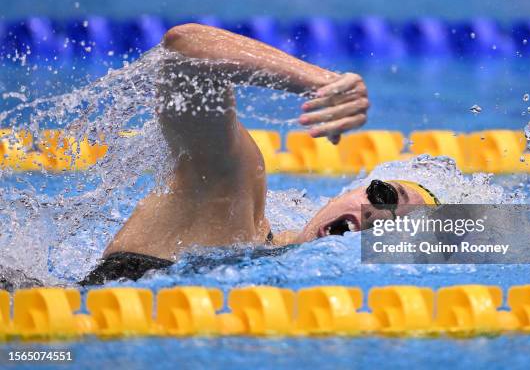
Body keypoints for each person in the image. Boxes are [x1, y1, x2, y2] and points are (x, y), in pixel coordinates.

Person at [2, 23, 440, 288]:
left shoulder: (272, 254)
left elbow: (497, 234)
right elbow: (185, 48)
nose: (377, 217)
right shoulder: (231, 199)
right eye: (383, 195)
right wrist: (323, 82)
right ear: (349, 190)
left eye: (396, 231)